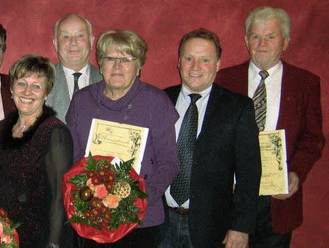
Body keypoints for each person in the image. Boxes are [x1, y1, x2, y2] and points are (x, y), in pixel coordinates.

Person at [216, 6, 325, 247]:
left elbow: (313, 137)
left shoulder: (305, 83)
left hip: (277, 199)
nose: (262, 43)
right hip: (231, 195)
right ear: (246, 41)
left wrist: (296, 172)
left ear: (285, 42)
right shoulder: (224, 80)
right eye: (255, 36)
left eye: (271, 36)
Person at [66, 30, 180, 248]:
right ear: (100, 64)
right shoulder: (82, 101)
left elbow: (169, 163)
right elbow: (72, 161)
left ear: (139, 66)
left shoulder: (156, 102)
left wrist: (139, 201)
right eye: (110, 58)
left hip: (141, 221)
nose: (117, 66)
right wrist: (86, 200)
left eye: (127, 59)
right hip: (92, 217)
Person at [159, 28, 261, 248]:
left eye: (205, 60)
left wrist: (241, 227)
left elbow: (249, 172)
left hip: (211, 227)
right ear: (179, 62)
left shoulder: (238, 108)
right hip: (160, 224)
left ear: (217, 64)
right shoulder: (160, 100)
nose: (195, 67)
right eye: (189, 58)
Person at [0, 54, 73, 248]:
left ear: (46, 93)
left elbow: (59, 196)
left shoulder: (55, 132)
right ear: (11, 88)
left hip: (42, 235)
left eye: (36, 86)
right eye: (22, 84)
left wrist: (52, 243)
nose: (27, 92)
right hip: (5, 233)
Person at [47, 14, 103, 123]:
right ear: (56, 44)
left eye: (80, 36)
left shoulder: (107, 81)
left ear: (91, 41)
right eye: (66, 36)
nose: (73, 42)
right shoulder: (41, 82)